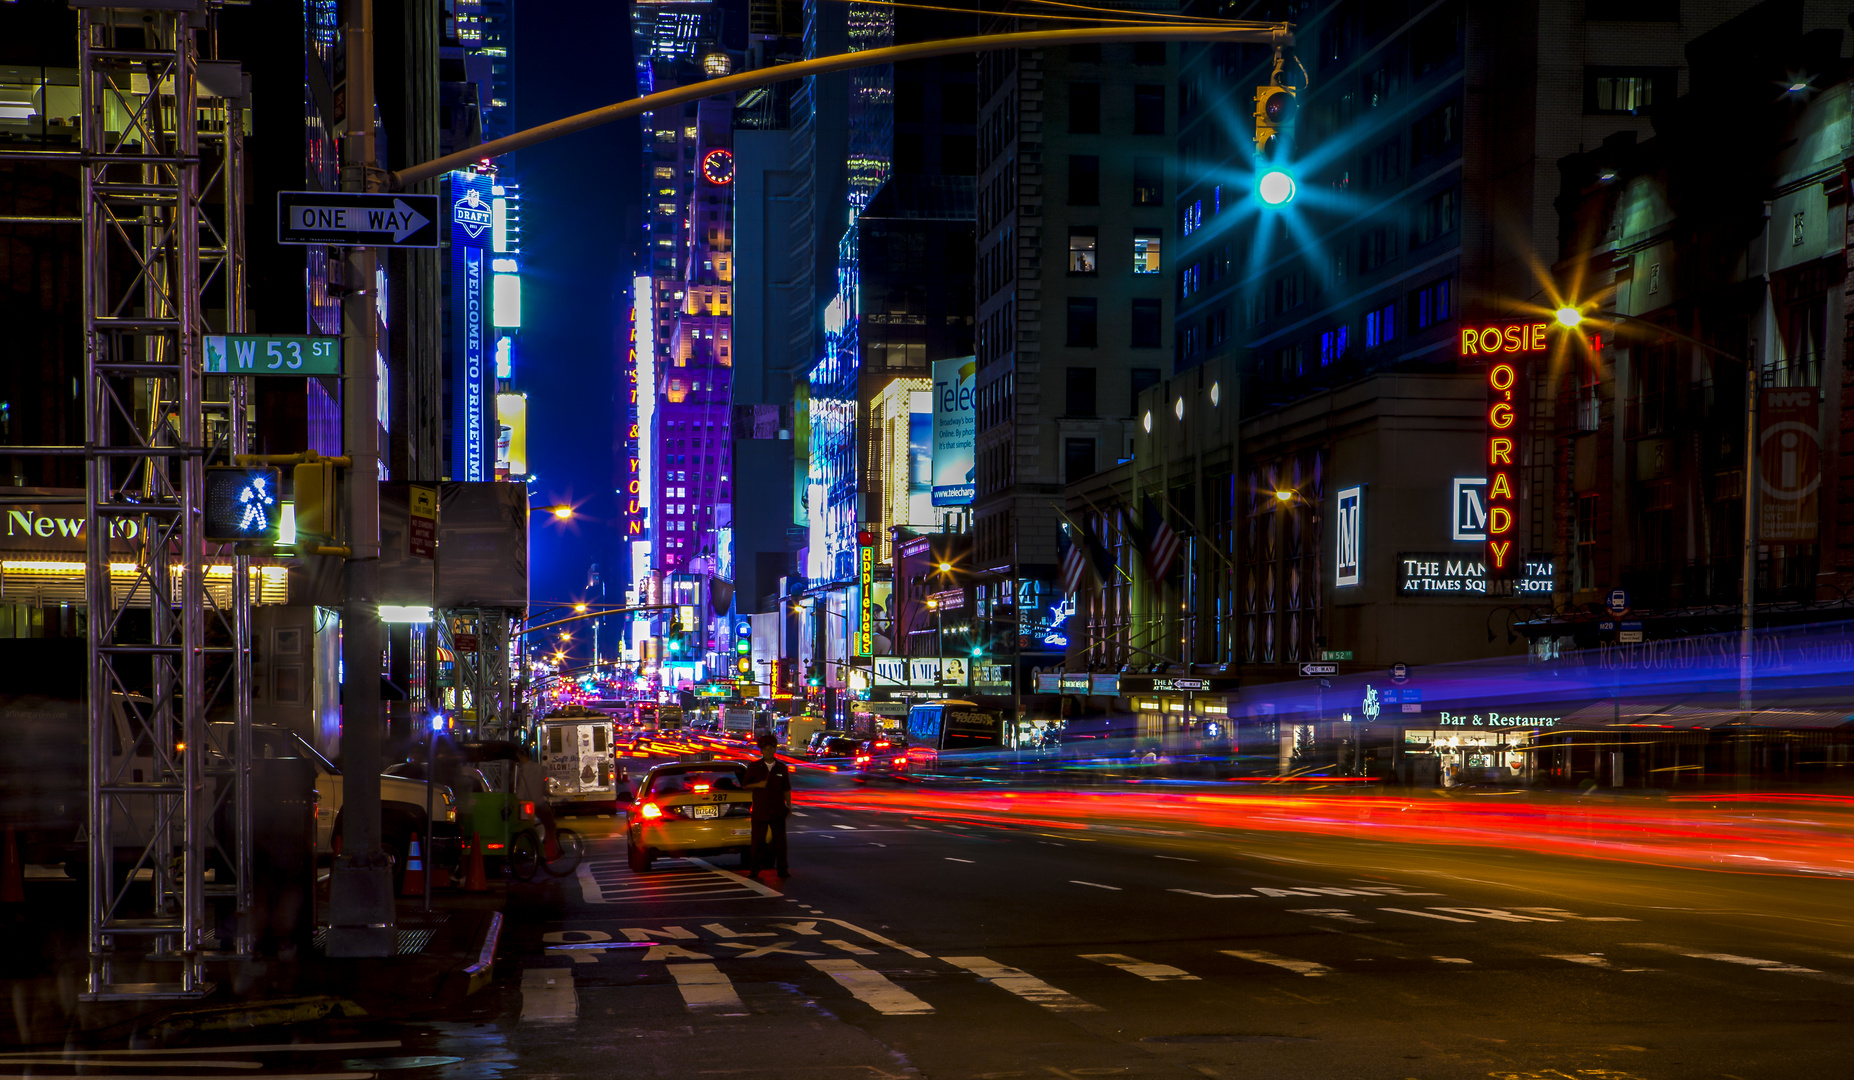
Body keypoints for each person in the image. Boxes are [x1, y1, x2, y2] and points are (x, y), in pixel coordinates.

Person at [742, 733, 792, 878]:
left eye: (771, 748)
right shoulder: (754, 767)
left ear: (775, 750)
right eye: (766, 749)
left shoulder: (781, 768)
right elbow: (744, 785)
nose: (769, 751)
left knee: (780, 842)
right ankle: (755, 869)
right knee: (757, 841)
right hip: (760, 810)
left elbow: (786, 788)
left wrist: (789, 805)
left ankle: (782, 869)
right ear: (761, 751)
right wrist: (758, 784)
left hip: (777, 810)